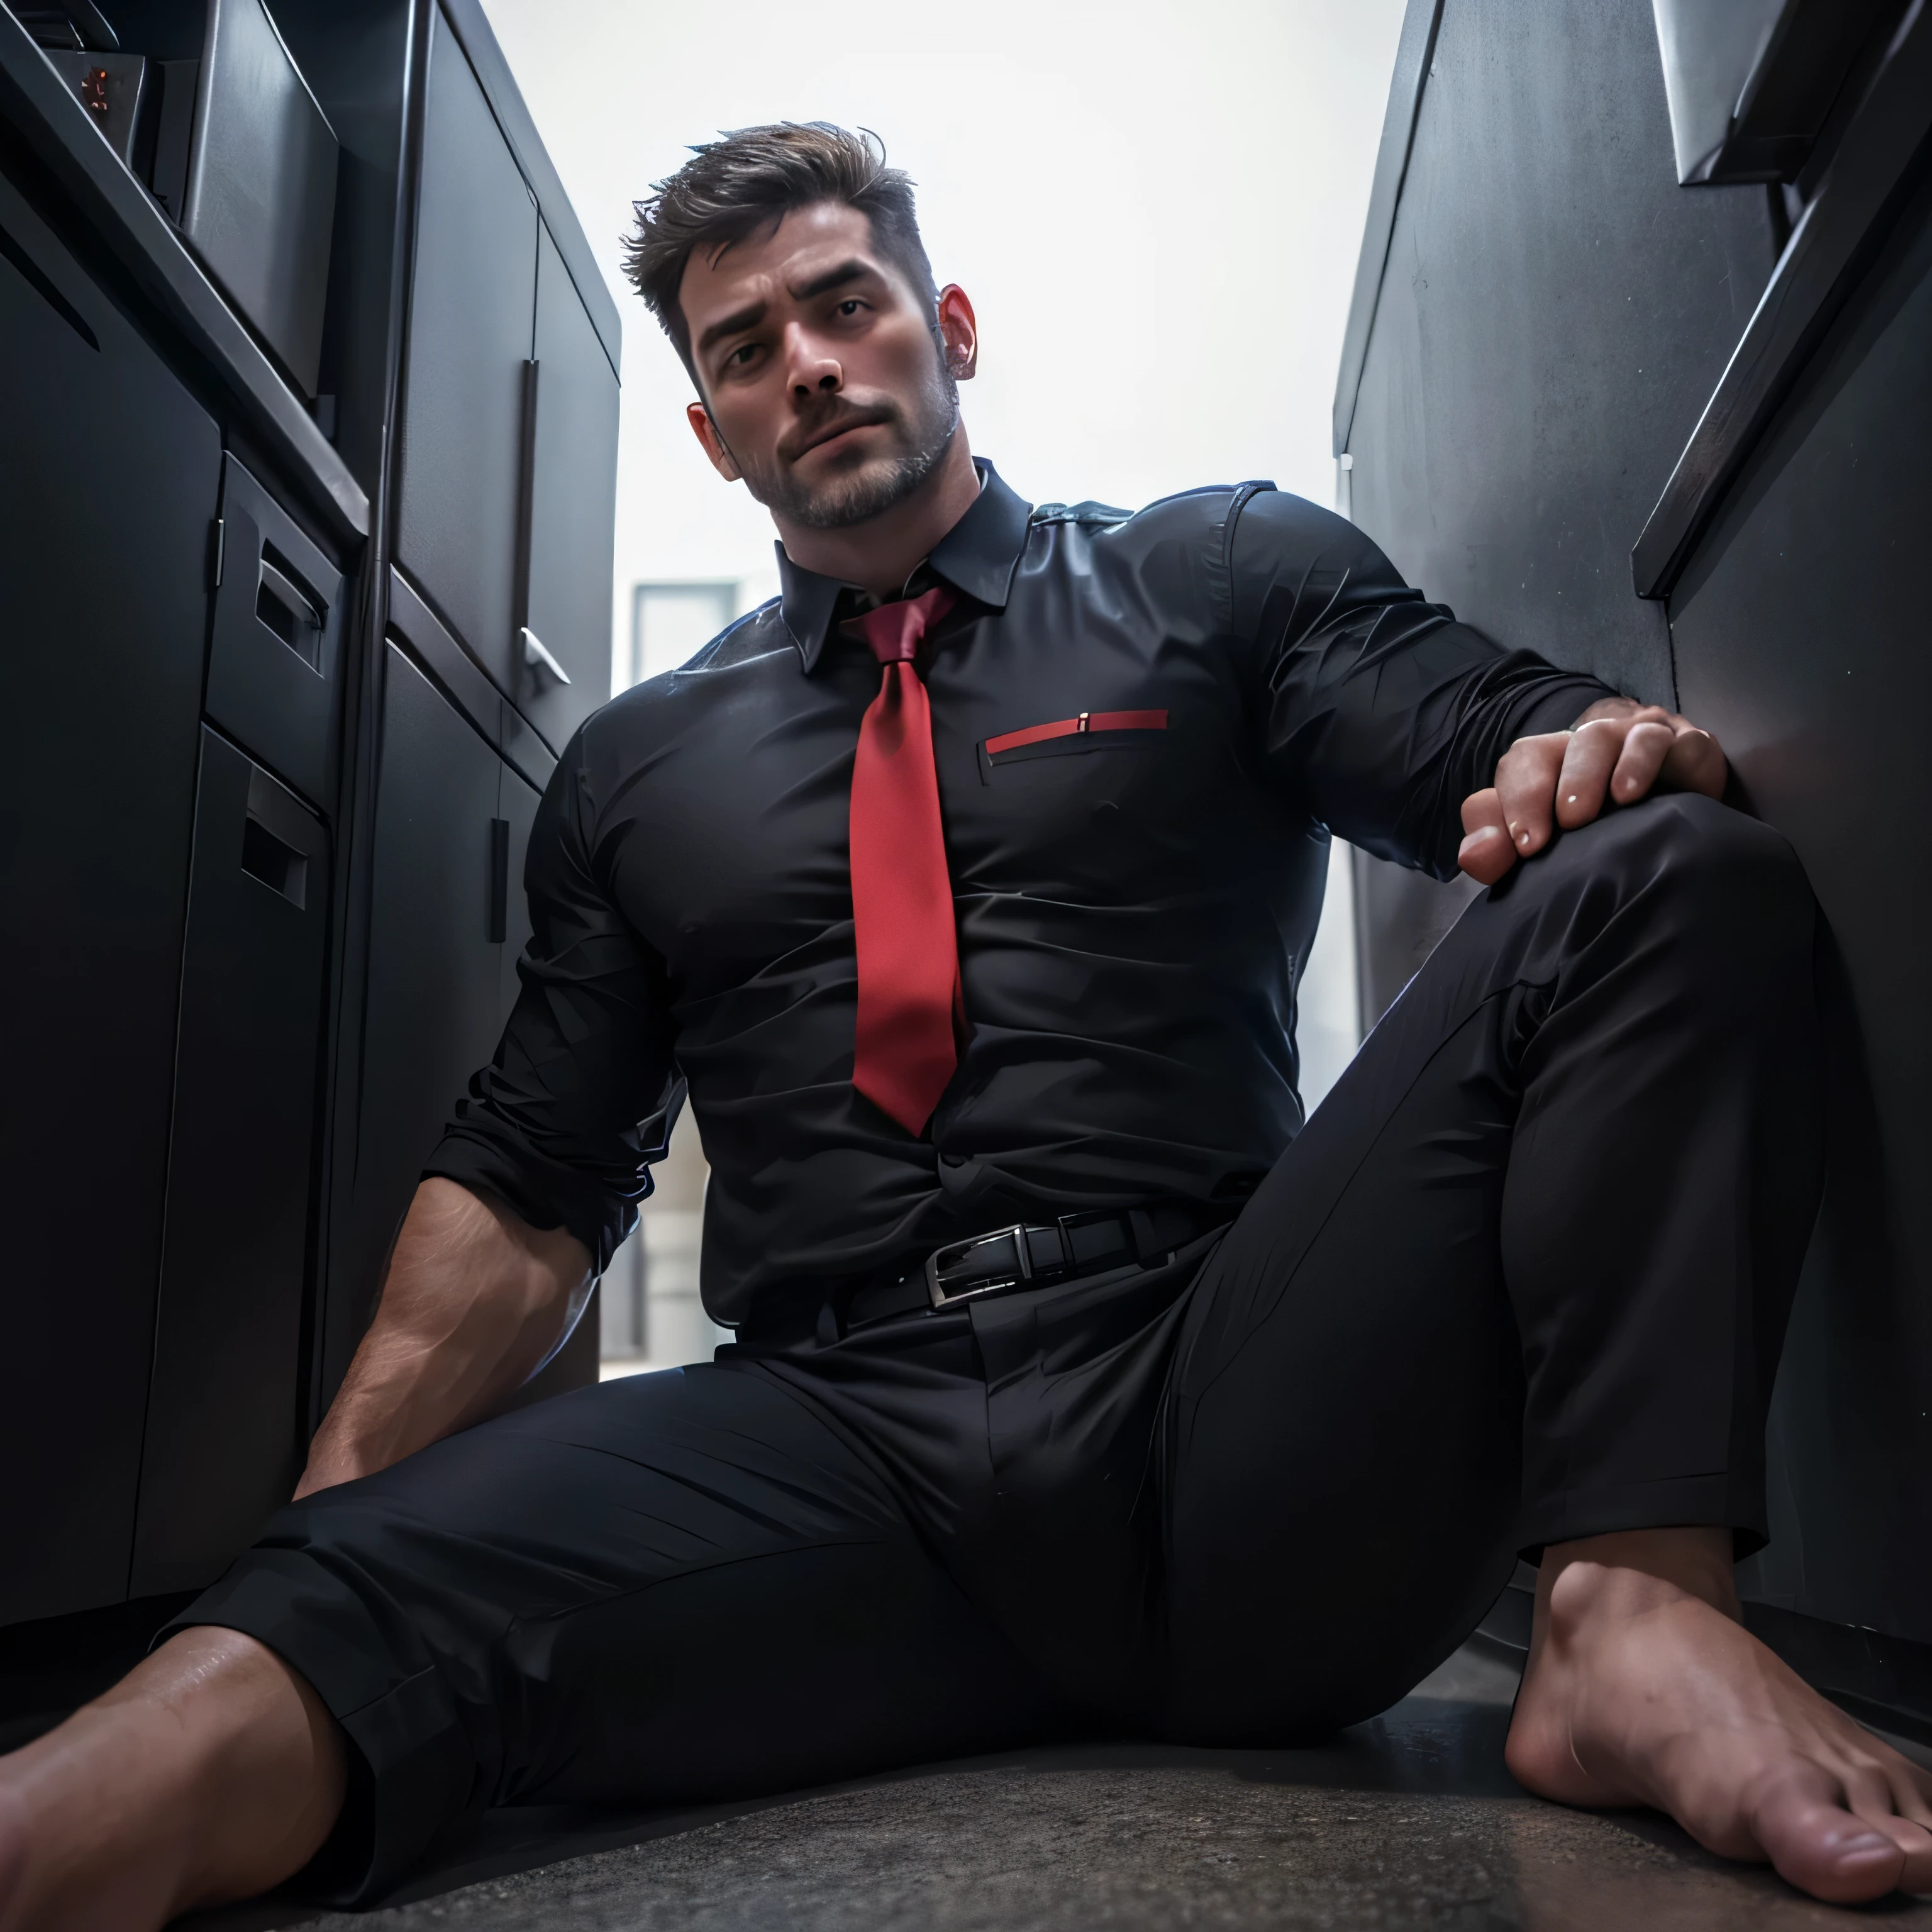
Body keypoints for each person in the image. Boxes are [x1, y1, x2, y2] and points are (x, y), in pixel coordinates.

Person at [2, 121, 1928, 1929]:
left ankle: (1631, 1618)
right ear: (710, 428)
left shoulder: (1213, 572)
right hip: (843, 1449)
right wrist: (335, 1531)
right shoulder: (636, 770)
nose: (811, 366)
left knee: (1669, 858)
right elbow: (532, 1176)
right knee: (306, 1631)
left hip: (1244, 1400)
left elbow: (1482, 732)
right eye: (747, 347)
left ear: (951, 327)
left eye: (846, 303)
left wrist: (1576, 752)